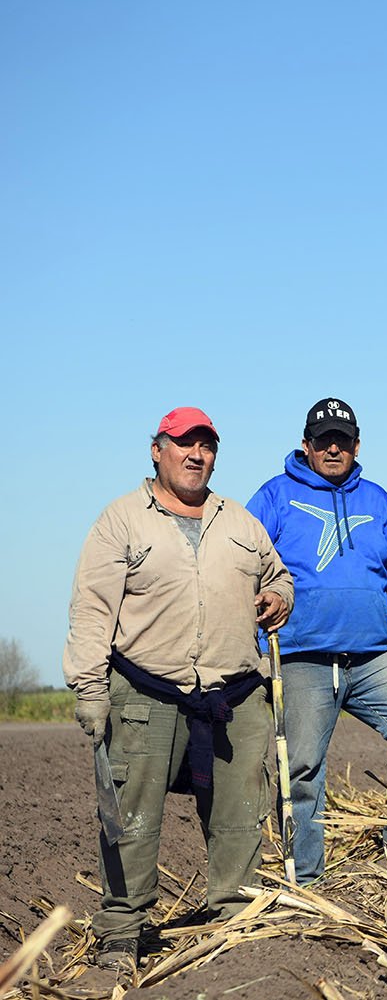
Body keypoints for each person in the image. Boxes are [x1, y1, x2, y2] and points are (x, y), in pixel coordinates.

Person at [63, 407, 294, 972]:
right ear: (157, 450)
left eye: (206, 445)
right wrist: (89, 687)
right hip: (145, 692)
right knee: (131, 815)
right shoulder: (122, 519)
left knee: (241, 815)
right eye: (184, 443)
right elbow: (92, 609)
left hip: (234, 695)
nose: (197, 454)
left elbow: (279, 577)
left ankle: (234, 925)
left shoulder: (240, 521)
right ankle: (123, 933)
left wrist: (278, 597)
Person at [246, 398, 387, 884]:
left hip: (373, 656)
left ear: (357, 446)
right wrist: (252, 642)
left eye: (342, 440)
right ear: (306, 445)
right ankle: (306, 878)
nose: (332, 449)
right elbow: (242, 566)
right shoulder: (274, 496)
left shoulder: (377, 501)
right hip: (302, 657)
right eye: (323, 441)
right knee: (302, 766)